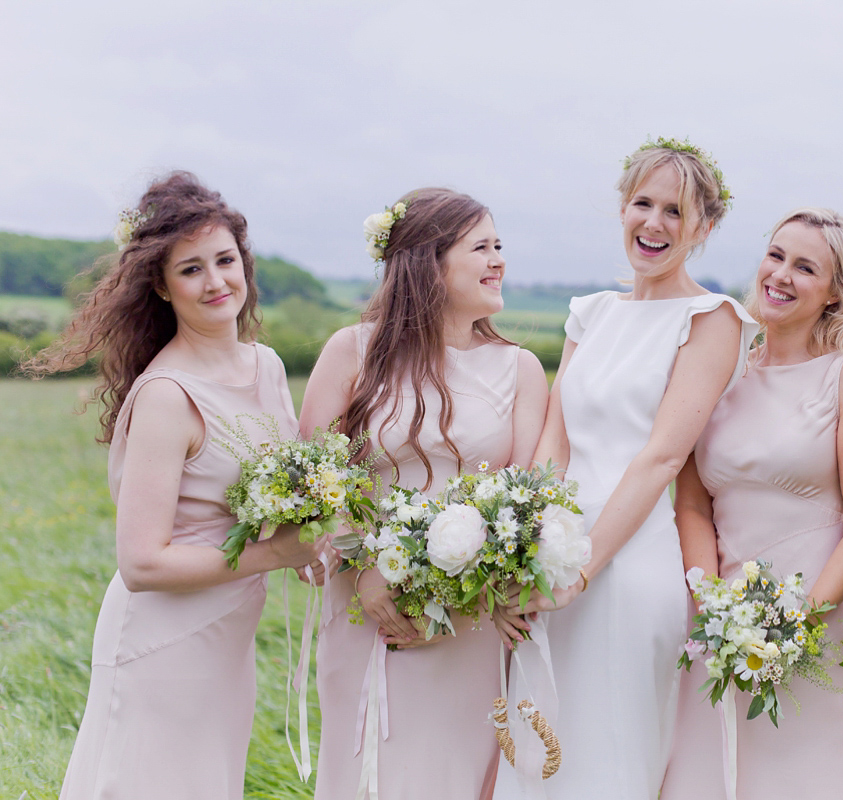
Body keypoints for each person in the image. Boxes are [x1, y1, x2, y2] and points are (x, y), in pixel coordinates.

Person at [24, 172, 327, 799]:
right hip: (163, 642)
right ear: (161, 286)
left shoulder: (265, 366)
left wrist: (310, 544)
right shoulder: (166, 396)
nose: (216, 282)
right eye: (191, 269)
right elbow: (141, 562)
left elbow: (286, 490)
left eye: (225, 260)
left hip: (228, 638)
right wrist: (275, 554)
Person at [493, 138, 759, 799]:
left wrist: (582, 570)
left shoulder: (713, 318)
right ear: (621, 208)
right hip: (551, 563)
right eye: (644, 203)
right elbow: (555, 439)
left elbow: (662, 456)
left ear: (705, 226)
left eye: (677, 211)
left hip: (627, 564)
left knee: (607, 760)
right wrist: (526, 549)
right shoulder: (592, 312)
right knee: (534, 750)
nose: (655, 224)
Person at [299, 188, 548, 800]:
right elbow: (314, 482)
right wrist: (366, 568)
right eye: (481, 247)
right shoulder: (352, 351)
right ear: (428, 263)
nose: (498, 261)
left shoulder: (520, 370)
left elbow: (529, 502)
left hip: (470, 618)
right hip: (366, 611)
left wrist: (466, 597)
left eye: (499, 246)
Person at [660, 207, 843, 798]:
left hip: (815, 623)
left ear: (833, 293)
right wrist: (710, 602)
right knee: (704, 773)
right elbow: (690, 504)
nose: (782, 275)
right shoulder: (719, 373)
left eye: (806, 268)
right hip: (718, 625)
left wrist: (798, 626)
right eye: (776, 256)